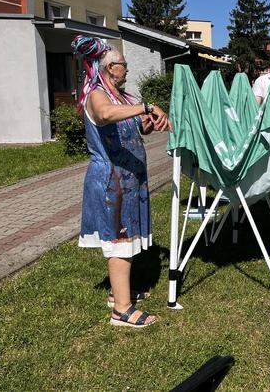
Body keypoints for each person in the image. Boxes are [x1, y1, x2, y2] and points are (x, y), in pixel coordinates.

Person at [72, 35, 172, 328]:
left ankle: (120, 294)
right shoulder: (97, 94)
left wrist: (147, 123)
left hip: (129, 180)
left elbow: (135, 126)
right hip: (111, 181)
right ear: (109, 67)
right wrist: (145, 107)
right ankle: (122, 311)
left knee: (126, 239)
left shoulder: (122, 95)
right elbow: (104, 115)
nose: (126, 69)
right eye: (123, 65)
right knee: (120, 242)